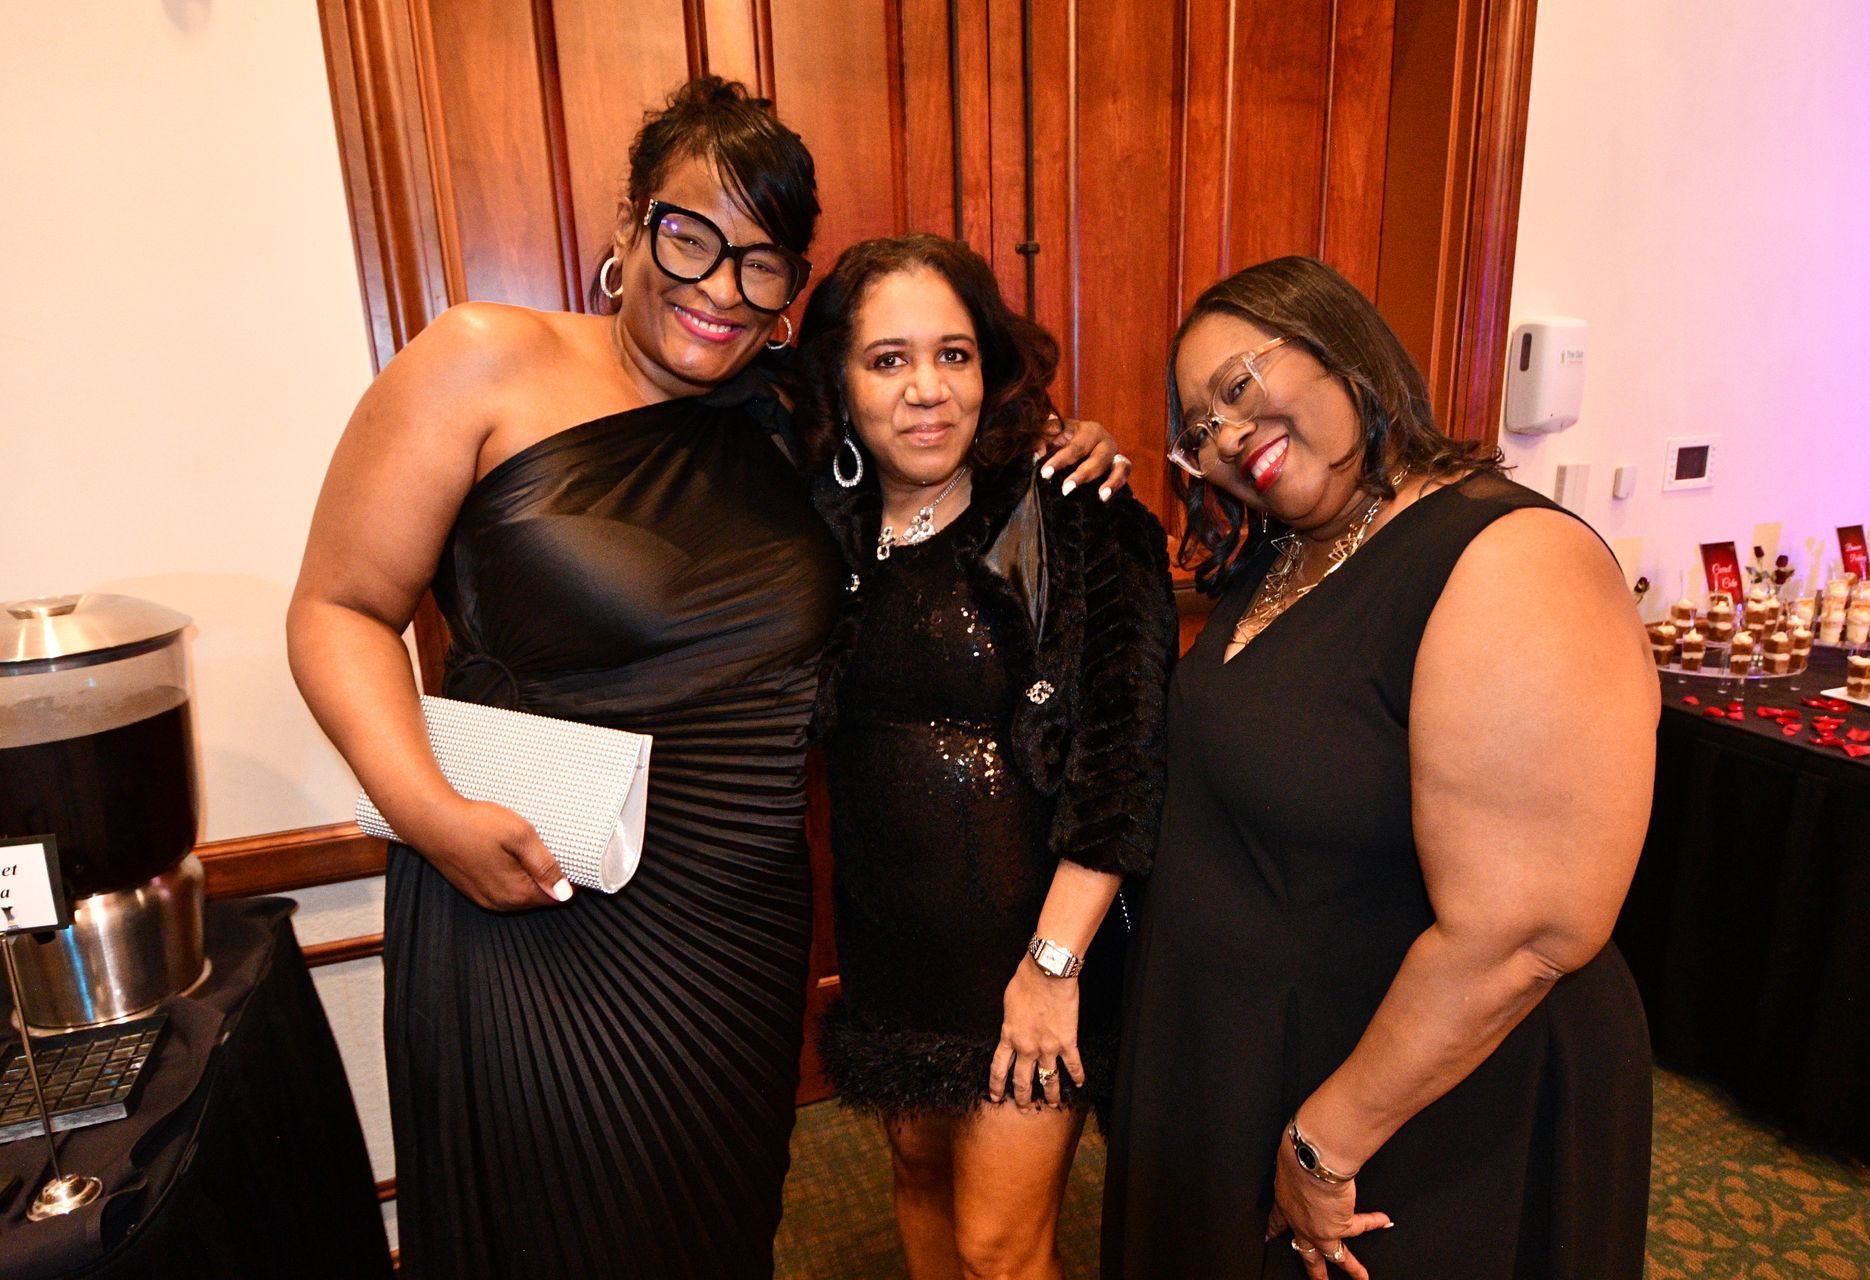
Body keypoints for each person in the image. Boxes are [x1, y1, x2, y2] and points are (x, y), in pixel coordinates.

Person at [286, 79, 1124, 1280]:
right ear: (629, 225)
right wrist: (429, 814)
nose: (721, 287)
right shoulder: (482, 361)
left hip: (732, 926)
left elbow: (938, 443)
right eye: (691, 235)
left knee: (714, 1225)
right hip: (524, 891)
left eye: (762, 263)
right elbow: (339, 610)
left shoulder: (786, 422)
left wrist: (1057, 445)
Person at [1100, 256, 1658, 1280]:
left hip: (1415, 1105)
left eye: (1238, 386)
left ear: (1341, 346)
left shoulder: (1513, 556)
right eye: (1199, 429)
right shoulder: (1295, 551)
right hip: (1262, 1049)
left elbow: (1528, 930)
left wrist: (1327, 1138)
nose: (1225, 436)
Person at [793, 233, 1177, 1280]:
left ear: (990, 365)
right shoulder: (818, 526)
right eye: (889, 360)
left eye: (953, 354)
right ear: (841, 380)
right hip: (888, 948)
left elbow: (1122, 766)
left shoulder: (1076, 513)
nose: (927, 389)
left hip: (1031, 948)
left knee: (999, 1249)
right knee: (919, 1180)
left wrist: (1052, 970)